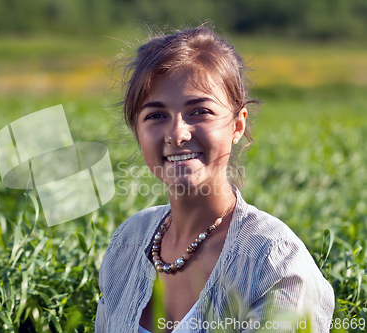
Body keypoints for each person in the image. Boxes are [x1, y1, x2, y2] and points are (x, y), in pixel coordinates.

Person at [95, 24, 335, 333]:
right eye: (156, 115)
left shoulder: (273, 261)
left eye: (200, 112)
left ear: (237, 125)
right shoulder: (128, 243)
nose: (177, 134)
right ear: (137, 131)